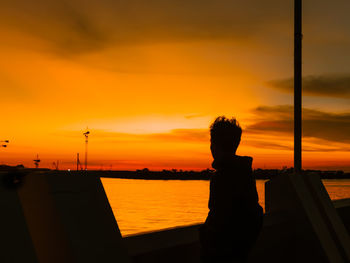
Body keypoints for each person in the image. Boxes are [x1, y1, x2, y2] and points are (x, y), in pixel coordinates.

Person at [199, 116, 263, 263]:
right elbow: (254, 214)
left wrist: (205, 236)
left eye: (212, 142)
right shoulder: (245, 174)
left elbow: (218, 220)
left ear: (214, 145)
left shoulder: (221, 178)